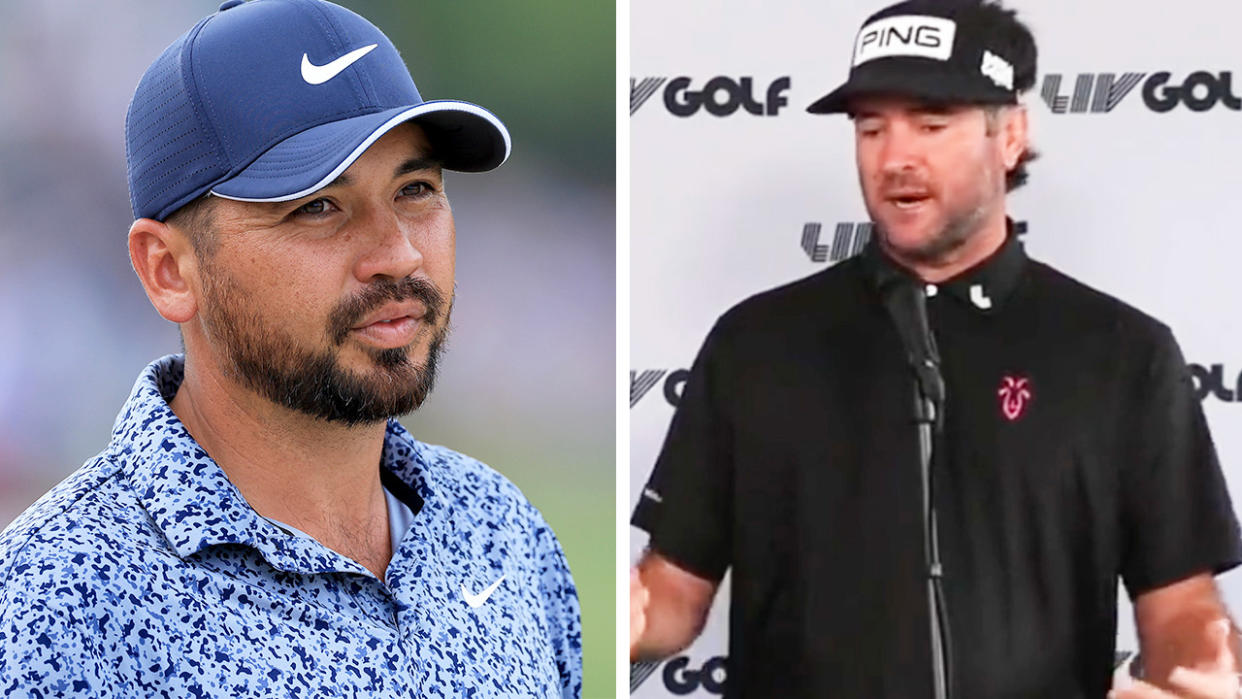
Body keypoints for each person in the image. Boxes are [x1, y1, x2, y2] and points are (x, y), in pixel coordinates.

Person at [629, 1, 1242, 697]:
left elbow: (1182, 607)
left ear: (1009, 135)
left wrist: (1204, 669)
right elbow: (673, 592)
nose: (895, 157)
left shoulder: (1123, 354)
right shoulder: (756, 342)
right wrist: (616, 615)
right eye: (871, 128)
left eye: (930, 123)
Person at [0, 0, 581, 696]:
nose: (397, 254)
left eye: (416, 188)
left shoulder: (501, 528)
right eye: (317, 205)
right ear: (168, 270)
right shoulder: (53, 606)